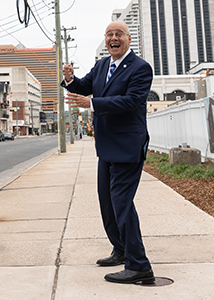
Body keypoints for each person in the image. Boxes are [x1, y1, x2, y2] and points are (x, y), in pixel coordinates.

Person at [62, 21, 154, 285]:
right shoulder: (102, 65)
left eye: (119, 34)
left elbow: (131, 101)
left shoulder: (140, 68)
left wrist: (91, 102)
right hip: (105, 147)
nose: (113, 38)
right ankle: (121, 249)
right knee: (107, 203)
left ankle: (139, 265)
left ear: (128, 39)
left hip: (127, 146)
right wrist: (70, 79)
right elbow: (83, 86)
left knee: (122, 203)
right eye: (109, 35)